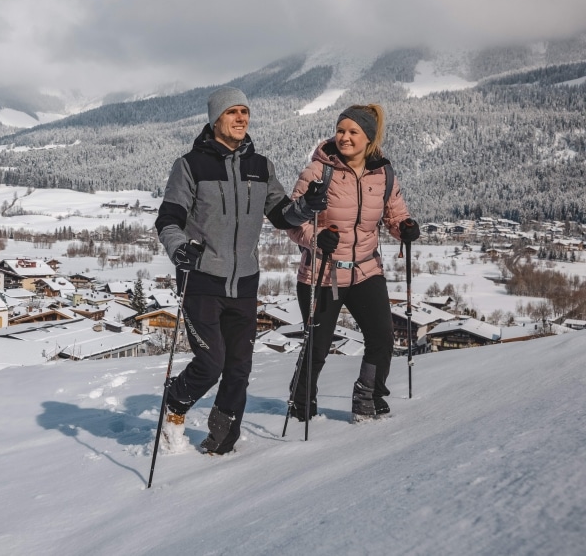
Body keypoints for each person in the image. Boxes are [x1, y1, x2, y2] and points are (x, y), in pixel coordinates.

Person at [155, 86, 327, 454]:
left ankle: (222, 444)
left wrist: (307, 206)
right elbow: (169, 218)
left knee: (239, 368)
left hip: (245, 283)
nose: (240, 118)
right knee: (211, 363)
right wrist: (179, 249)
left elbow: (281, 214)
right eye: (232, 112)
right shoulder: (190, 166)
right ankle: (175, 403)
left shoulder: (260, 166)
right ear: (215, 118)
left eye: (244, 112)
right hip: (201, 281)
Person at [285, 103, 420, 422]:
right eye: (340, 130)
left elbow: (394, 214)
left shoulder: (383, 173)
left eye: (353, 132)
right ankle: (301, 401)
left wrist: (405, 227)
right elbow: (291, 219)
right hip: (323, 272)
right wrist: (316, 237)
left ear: (368, 138)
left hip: (366, 270)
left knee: (383, 337)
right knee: (318, 345)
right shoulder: (319, 171)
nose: (344, 137)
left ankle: (368, 397)